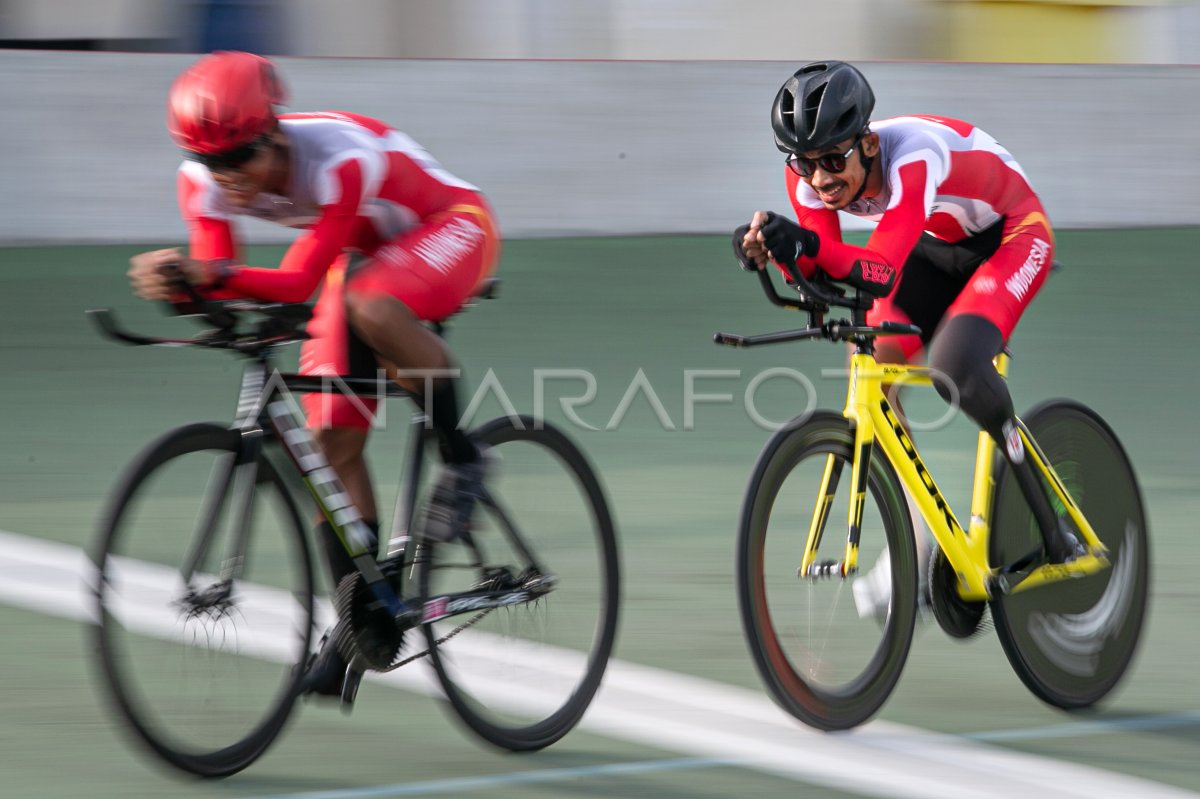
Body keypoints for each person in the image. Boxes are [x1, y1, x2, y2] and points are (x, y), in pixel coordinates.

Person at [128, 50, 500, 696]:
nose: (229, 178)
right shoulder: (202, 180)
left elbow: (297, 278)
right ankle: (362, 622)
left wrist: (208, 277)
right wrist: (180, 289)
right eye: (215, 163)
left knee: (367, 301)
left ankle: (464, 457)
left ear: (273, 131)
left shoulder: (338, 157)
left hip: (452, 228)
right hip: (361, 261)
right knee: (327, 450)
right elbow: (222, 271)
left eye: (241, 157)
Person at [733, 60, 1083, 620]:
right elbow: (825, 279)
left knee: (957, 367)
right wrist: (778, 255)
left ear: (868, 144)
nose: (819, 179)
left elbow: (878, 271)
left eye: (832, 159)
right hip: (935, 245)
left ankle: (1051, 523)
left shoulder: (915, 155)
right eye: (804, 162)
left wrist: (802, 245)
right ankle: (918, 547)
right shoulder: (807, 178)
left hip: (1013, 236)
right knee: (870, 360)